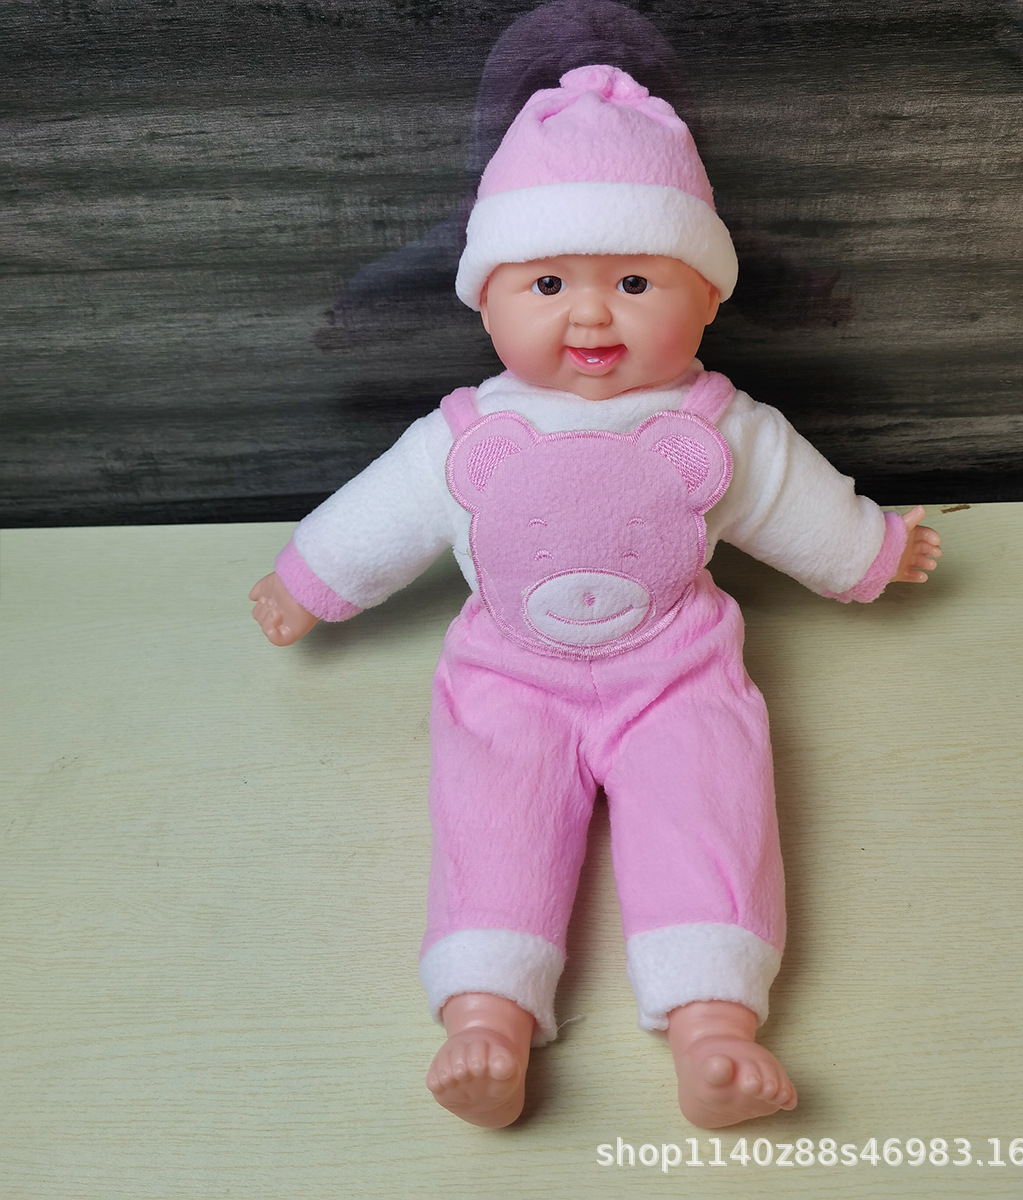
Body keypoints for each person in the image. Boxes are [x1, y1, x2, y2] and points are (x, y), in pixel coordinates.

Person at [250, 65, 941, 1129]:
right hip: (507, 678)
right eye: (545, 284)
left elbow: (794, 500)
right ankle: (486, 1017)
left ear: (708, 296)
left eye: (634, 281)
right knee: (493, 822)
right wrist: (311, 579)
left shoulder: (719, 424)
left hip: (678, 672)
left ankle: (715, 1029)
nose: (590, 315)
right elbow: (379, 515)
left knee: (710, 809)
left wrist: (869, 550)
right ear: (484, 300)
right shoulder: (465, 433)